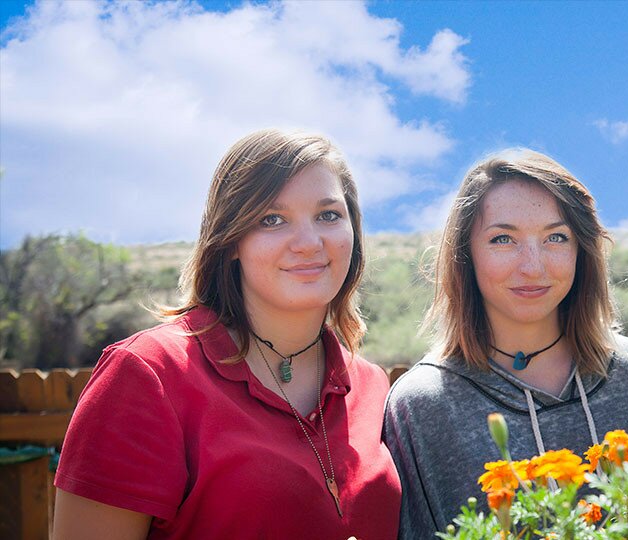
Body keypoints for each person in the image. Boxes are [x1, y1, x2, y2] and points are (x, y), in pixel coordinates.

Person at [52, 129, 401, 539]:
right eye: (272, 219)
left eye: (328, 215)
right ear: (231, 240)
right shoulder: (148, 374)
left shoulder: (373, 386)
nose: (309, 242)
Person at [384, 148, 628, 536]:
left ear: (582, 249)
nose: (533, 266)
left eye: (556, 237)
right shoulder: (422, 405)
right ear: (465, 254)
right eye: (503, 239)